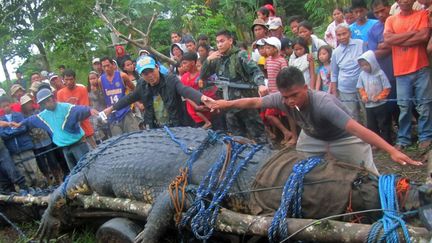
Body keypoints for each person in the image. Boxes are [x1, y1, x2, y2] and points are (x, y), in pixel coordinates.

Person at [208, 67, 423, 175]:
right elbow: (254, 102)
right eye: (285, 97)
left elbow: (358, 130)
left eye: (294, 95)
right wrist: (224, 104)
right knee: (301, 170)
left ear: (305, 87)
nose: (289, 101)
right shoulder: (281, 99)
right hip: (312, 138)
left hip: (344, 139)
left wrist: (391, 150)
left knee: (369, 176)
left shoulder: (324, 104)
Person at [103, 55, 211, 129]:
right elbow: (129, 98)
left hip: (177, 125)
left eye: (151, 71)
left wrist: (202, 98)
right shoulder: (142, 85)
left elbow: (185, 90)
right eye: (145, 73)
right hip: (156, 128)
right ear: (141, 75)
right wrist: (112, 108)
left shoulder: (170, 80)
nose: (150, 75)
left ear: (157, 67)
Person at [200, 30, 269, 144]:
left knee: (259, 135)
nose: (219, 44)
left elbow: (255, 71)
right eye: (217, 42)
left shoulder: (240, 55)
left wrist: (261, 84)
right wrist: (208, 60)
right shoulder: (217, 58)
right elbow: (203, 76)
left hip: (245, 103)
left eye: (222, 41)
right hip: (228, 105)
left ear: (230, 41)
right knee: (237, 139)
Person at [384, 0, 432, 150]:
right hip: (401, 70)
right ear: (397, 1)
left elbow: (424, 36)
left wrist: (399, 40)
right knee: (404, 107)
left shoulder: (422, 14)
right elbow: (388, 39)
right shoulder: (391, 19)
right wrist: (412, 33)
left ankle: (426, 136)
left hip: (421, 66)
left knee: (424, 105)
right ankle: (404, 138)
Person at [18, 89, 98, 170]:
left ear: (52, 98)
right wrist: (20, 123)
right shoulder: (43, 115)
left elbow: (79, 109)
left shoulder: (66, 107)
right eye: (44, 103)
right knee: (74, 172)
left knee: (87, 168)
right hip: (64, 148)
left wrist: (89, 110)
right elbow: (31, 120)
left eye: (48, 100)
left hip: (78, 144)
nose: (47, 104)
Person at [0, 96, 45, 187]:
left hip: (25, 147)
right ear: (1, 108)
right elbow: (2, 134)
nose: (6, 107)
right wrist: (15, 129)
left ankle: (43, 187)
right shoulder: (1, 120)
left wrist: (11, 131)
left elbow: (24, 127)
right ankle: (30, 193)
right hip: (13, 150)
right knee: (23, 173)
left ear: (11, 105)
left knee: (34, 169)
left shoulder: (19, 115)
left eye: (7, 105)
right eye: (4, 106)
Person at [368, 0, 399, 133]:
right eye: (377, 12)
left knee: (412, 102)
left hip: (405, 67)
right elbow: (374, 54)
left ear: (388, 8)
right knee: (392, 105)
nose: (380, 14)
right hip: (387, 72)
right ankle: (399, 130)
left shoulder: (399, 21)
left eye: (382, 10)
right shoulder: (373, 30)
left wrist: (386, 44)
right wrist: (395, 43)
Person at [20, 94, 63, 184]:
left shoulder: (39, 111)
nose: (28, 105)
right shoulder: (22, 117)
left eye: (29, 103)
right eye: (26, 104)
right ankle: (48, 180)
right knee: (41, 163)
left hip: (46, 139)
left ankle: (58, 178)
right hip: (35, 143)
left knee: (52, 159)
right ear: (23, 106)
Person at [264, 37, 297, 145]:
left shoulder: (281, 61)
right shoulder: (267, 60)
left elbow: (285, 76)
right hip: (271, 93)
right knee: (269, 115)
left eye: (269, 48)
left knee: (288, 115)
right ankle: (286, 132)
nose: (266, 50)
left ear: (276, 48)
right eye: (266, 48)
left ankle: (294, 136)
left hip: (281, 92)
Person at [331, 24, 365, 121]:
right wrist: (334, 91)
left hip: (363, 86)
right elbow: (334, 73)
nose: (342, 37)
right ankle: (357, 136)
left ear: (349, 33)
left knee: (368, 112)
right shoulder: (336, 52)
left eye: (344, 33)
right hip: (345, 88)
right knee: (352, 115)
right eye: (339, 35)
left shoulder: (360, 44)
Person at [356, 50, 392, 144]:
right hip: (369, 105)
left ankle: (386, 142)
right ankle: (375, 143)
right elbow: (360, 87)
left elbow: (387, 87)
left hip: (381, 104)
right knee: (372, 125)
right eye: (362, 65)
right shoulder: (362, 75)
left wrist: (380, 96)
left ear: (372, 62)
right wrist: (363, 96)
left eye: (366, 64)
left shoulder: (380, 73)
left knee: (384, 124)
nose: (364, 67)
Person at [99, 57, 140, 136]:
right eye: (104, 66)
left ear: (113, 65)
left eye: (108, 65)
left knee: (135, 136)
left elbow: (134, 90)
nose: (106, 68)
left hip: (125, 111)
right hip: (112, 115)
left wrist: (136, 104)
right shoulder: (100, 80)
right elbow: (103, 97)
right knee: (119, 141)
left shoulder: (122, 76)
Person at [57, 69, 97, 149]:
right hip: (72, 130)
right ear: (63, 80)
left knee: (94, 149)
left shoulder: (82, 89)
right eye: (66, 80)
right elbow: (62, 112)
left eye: (71, 79)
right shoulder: (60, 93)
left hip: (85, 125)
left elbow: (84, 108)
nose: (69, 82)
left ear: (75, 79)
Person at [180, 52, 212, 129]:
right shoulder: (184, 77)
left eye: (185, 63)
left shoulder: (202, 75)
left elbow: (208, 91)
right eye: (182, 64)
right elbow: (185, 94)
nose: (183, 66)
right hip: (192, 109)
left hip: (205, 106)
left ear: (193, 62)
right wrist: (196, 106)